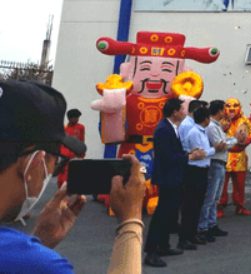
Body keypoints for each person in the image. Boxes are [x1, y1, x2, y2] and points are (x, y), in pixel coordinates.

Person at [0, 80, 146, 274]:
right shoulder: (43, 266)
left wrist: (37, 242)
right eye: (54, 160)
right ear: (34, 163)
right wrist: (131, 221)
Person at [144, 98, 206, 268]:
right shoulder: (163, 130)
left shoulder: (172, 127)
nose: (184, 112)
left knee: (170, 214)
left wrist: (188, 153)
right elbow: (167, 157)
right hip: (167, 177)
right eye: (181, 109)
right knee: (162, 214)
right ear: (174, 112)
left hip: (174, 177)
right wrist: (190, 157)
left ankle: (163, 245)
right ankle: (151, 252)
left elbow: (174, 152)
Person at [180, 107, 226, 247]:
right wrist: (214, 149)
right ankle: (187, 236)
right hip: (195, 170)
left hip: (202, 169)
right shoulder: (195, 132)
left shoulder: (202, 131)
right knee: (192, 204)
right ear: (205, 119)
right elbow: (200, 153)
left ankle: (193, 234)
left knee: (198, 203)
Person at [198, 100, 235, 242]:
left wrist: (232, 140)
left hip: (220, 162)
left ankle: (211, 224)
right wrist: (235, 140)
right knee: (210, 197)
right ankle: (203, 226)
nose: (225, 112)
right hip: (214, 162)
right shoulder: (212, 127)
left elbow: (224, 142)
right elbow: (220, 145)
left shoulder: (217, 126)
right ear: (219, 111)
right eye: (224, 109)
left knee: (215, 197)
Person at [57, 108, 85, 188]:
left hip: (76, 156)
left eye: (78, 117)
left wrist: (82, 153)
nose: (77, 119)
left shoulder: (81, 127)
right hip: (65, 157)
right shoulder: (64, 129)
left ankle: (74, 192)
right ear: (70, 118)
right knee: (62, 177)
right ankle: (62, 190)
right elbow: (61, 144)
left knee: (74, 176)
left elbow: (82, 140)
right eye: (76, 117)